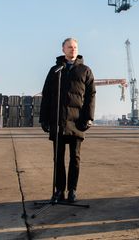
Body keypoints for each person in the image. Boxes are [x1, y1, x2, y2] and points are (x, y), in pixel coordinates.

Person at [40, 38, 96, 203]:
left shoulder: (86, 71)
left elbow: (91, 96)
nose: (73, 50)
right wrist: (44, 119)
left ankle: (72, 190)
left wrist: (88, 118)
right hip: (57, 120)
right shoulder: (56, 70)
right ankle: (59, 191)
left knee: (75, 158)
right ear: (63, 49)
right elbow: (47, 95)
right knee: (58, 158)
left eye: (75, 47)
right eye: (69, 47)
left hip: (77, 121)